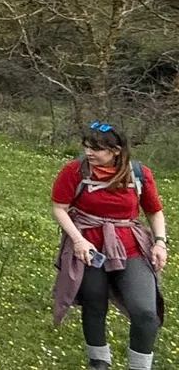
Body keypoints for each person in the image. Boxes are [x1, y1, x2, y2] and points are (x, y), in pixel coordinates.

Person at [52, 122, 166, 370]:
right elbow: (59, 208)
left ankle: (139, 366)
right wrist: (78, 240)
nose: (89, 153)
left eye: (96, 149)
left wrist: (160, 243)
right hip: (89, 246)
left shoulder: (139, 174)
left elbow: (154, 211)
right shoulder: (74, 170)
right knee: (94, 301)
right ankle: (99, 360)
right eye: (86, 147)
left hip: (130, 246)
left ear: (116, 150)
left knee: (146, 312)